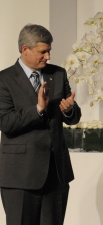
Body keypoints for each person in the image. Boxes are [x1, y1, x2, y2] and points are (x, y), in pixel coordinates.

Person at [0, 24, 81, 225]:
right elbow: (6, 122)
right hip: (20, 177)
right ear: (25, 49)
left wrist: (69, 110)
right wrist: (37, 109)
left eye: (49, 51)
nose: (48, 57)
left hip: (56, 174)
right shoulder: (4, 79)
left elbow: (73, 117)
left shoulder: (59, 74)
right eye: (43, 52)